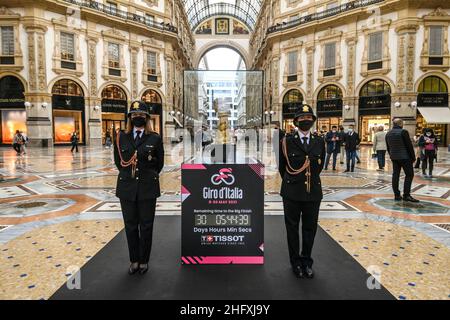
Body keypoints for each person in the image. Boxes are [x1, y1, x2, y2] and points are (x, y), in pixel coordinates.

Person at [114, 100, 164, 275]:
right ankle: (134, 260)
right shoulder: (121, 137)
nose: (137, 117)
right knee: (130, 226)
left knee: (146, 226)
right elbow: (118, 162)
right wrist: (130, 176)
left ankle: (144, 260)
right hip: (127, 188)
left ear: (146, 118)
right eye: (134, 115)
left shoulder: (155, 138)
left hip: (147, 188)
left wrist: (145, 177)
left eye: (141, 115)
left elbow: (160, 164)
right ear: (130, 117)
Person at [277, 104, 326, 279]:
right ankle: (295, 263)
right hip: (291, 192)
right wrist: (293, 182)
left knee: (310, 228)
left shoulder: (320, 141)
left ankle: (307, 261)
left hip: (313, 192)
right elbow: (282, 168)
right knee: (292, 229)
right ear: (296, 122)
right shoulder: (286, 142)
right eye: (302, 119)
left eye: (309, 118)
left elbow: (320, 166)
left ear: (313, 121)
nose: (306, 121)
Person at [385, 118, 419, 202]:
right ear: (401, 124)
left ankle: (396, 195)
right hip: (405, 157)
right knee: (409, 174)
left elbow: (388, 147)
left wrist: (392, 155)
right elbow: (409, 146)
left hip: (394, 157)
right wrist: (413, 157)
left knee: (395, 175)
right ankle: (406, 195)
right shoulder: (403, 132)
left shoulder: (388, 133)